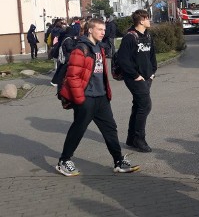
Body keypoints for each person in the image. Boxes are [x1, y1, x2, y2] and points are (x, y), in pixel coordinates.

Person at [55, 18, 139, 176]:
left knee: (110, 129)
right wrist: (80, 99)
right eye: (99, 29)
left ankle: (118, 161)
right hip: (86, 98)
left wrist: (106, 93)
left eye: (104, 29)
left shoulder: (99, 48)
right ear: (90, 30)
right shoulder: (80, 49)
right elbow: (72, 77)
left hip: (101, 98)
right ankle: (64, 161)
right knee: (78, 129)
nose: (103, 32)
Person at [118, 10, 157, 153]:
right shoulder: (130, 37)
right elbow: (123, 59)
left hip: (147, 77)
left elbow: (152, 55)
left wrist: (152, 72)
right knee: (145, 106)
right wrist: (135, 75)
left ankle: (131, 139)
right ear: (141, 20)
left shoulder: (148, 35)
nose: (149, 21)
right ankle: (140, 139)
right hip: (135, 78)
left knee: (138, 106)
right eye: (148, 19)